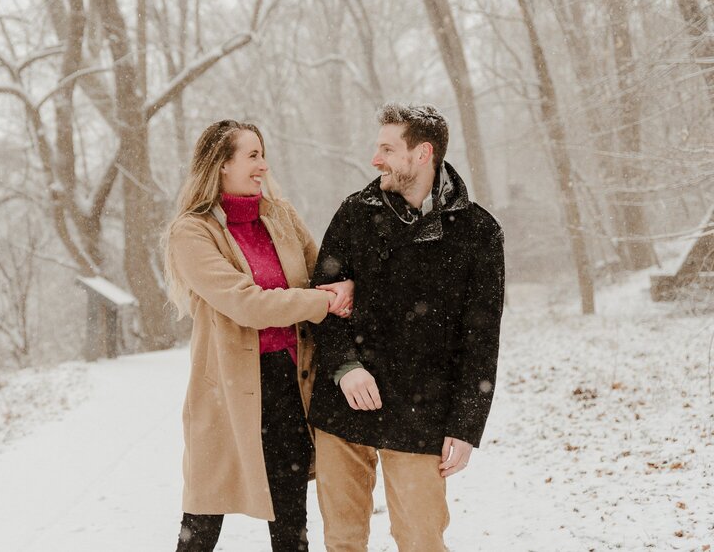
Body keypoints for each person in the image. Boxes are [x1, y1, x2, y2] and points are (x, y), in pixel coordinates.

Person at [308, 103, 505, 552]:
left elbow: (481, 338)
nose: (375, 159)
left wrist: (467, 423)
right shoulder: (355, 214)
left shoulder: (478, 232)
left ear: (423, 153)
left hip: (423, 408)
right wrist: (345, 367)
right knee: (342, 540)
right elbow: (322, 299)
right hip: (345, 402)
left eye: (386, 148)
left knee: (421, 539)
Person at [163, 119, 354, 552]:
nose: (263, 166)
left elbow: (321, 273)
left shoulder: (281, 217)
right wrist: (322, 303)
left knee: (291, 521)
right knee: (202, 522)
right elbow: (247, 304)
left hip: (290, 385)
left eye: (262, 154)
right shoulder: (193, 232)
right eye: (252, 156)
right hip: (227, 394)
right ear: (221, 165)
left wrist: (338, 290)